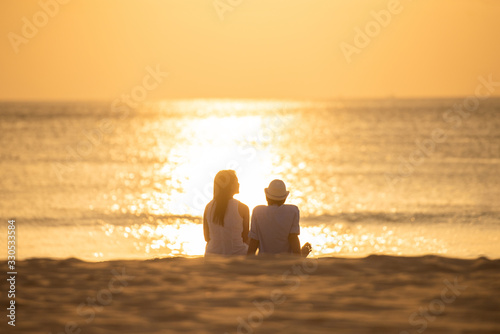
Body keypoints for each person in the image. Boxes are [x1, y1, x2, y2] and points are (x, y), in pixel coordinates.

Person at [247, 179, 311, 257]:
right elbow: (293, 238)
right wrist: (299, 258)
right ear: (284, 199)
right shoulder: (292, 210)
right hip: (285, 260)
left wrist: (248, 260)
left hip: (264, 260)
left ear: (266, 197)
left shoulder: (258, 211)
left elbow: (254, 241)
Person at [204, 170, 249, 256]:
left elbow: (206, 237)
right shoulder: (243, 208)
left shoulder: (208, 207)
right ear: (230, 186)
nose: (239, 184)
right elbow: (245, 237)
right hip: (237, 254)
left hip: (211, 254)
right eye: (236, 182)